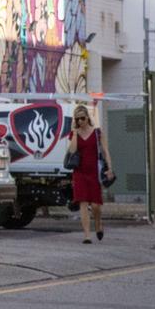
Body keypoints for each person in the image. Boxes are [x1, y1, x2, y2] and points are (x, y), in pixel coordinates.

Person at [67, 104, 113, 244]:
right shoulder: (74, 133)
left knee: (95, 205)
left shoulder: (97, 133)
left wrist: (109, 168)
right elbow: (72, 150)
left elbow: (105, 151)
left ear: (88, 118)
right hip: (79, 172)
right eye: (77, 119)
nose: (80, 121)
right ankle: (87, 235)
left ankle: (98, 223)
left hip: (94, 172)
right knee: (83, 203)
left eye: (82, 118)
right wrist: (75, 133)